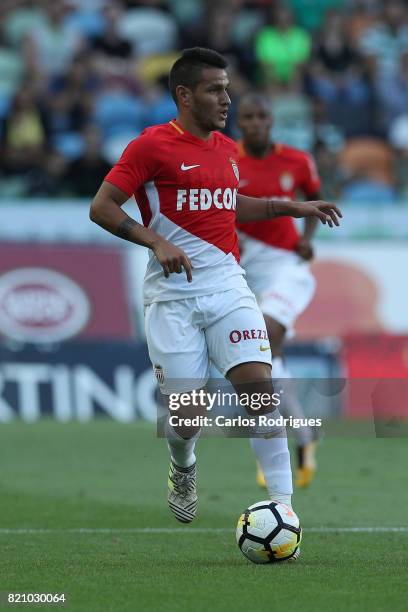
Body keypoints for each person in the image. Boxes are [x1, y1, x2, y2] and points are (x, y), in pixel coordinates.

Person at [89, 48, 341, 531]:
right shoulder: (151, 146)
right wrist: (155, 239)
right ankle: (183, 467)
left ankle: (284, 510)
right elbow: (102, 207)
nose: (227, 98)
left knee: (260, 393)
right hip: (172, 297)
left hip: (229, 288)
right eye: (215, 89)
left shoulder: (226, 150)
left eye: (227, 87)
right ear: (184, 95)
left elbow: (229, 206)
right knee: (186, 420)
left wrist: (294, 208)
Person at [236, 93, 322, 488]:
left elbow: (311, 199)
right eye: (248, 117)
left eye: (262, 116)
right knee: (263, 354)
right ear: (240, 123)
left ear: (271, 121)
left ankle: (281, 440)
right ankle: (300, 435)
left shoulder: (297, 160)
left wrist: (306, 239)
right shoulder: (227, 161)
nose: (255, 123)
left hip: (288, 266)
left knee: (267, 335)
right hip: (243, 269)